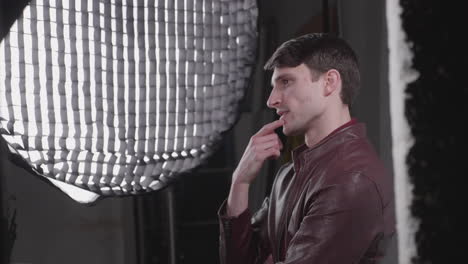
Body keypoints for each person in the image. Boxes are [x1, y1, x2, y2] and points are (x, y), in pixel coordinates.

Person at [217, 33, 395, 264]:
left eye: (286, 82)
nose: (271, 100)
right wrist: (240, 182)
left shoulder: (351, 179)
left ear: (329, 83)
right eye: (274, 86)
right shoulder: (288, 175)